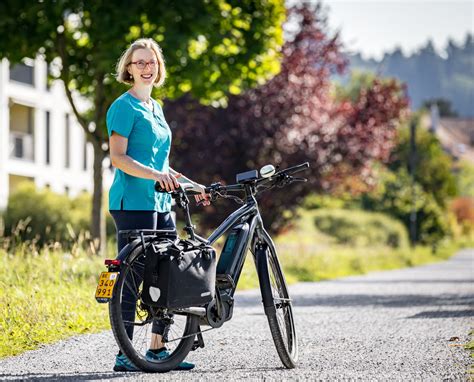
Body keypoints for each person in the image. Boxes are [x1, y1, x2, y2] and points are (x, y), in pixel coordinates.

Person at [107, 38, 209, 372]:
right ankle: (125, 354)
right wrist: (155, 175)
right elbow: (119, 158)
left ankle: (157, 348)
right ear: (128, 68)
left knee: (169, 272)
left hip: (161, 200)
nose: (147, 68)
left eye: (152, 62)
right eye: (140, 63)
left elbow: (162, 164)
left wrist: (192, 185)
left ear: (158, 67)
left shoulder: (156, 107)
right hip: (132, 202)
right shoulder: (123, 106)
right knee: (131, 277)